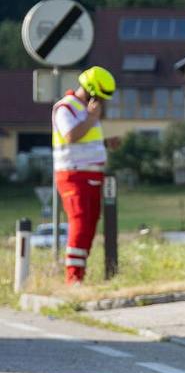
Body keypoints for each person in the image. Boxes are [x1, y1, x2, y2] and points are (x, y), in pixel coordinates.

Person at [51, 66, 117, 284]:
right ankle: (73, 279)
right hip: (73, 175)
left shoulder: (86, 109)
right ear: (90, 89)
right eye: (100, 96)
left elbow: (85, 142)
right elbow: (70, 136)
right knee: (79, 222)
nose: (102, 101)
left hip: (91, 175)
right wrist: (90, 117)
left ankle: (80, 276)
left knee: (89, 223)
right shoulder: (66, 108)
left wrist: (106, 143)